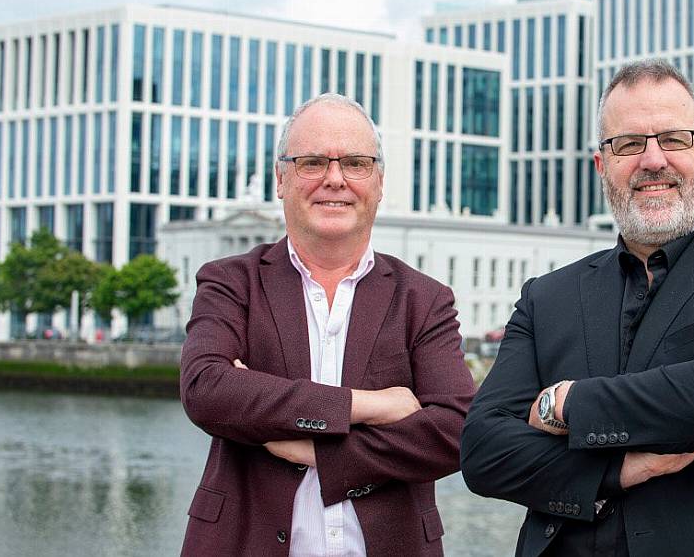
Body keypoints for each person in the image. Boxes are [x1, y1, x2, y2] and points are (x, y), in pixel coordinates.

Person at [461, 59, 694, 556]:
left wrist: (563, 404)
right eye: (628, 144)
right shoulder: (546, 297)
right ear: (601, 165)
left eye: (674, 139)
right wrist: (621, 468)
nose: (653, 160)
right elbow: (483, 452)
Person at [180, 94, 475, 556]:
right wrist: (371, 406)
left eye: (355, 163)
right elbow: (207, 390)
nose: (334, 179)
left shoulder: (424, 299)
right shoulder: (230, 282)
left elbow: (456, 430)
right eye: (312, 162)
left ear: (378, 182)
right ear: (281, 178)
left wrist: (323, 454)